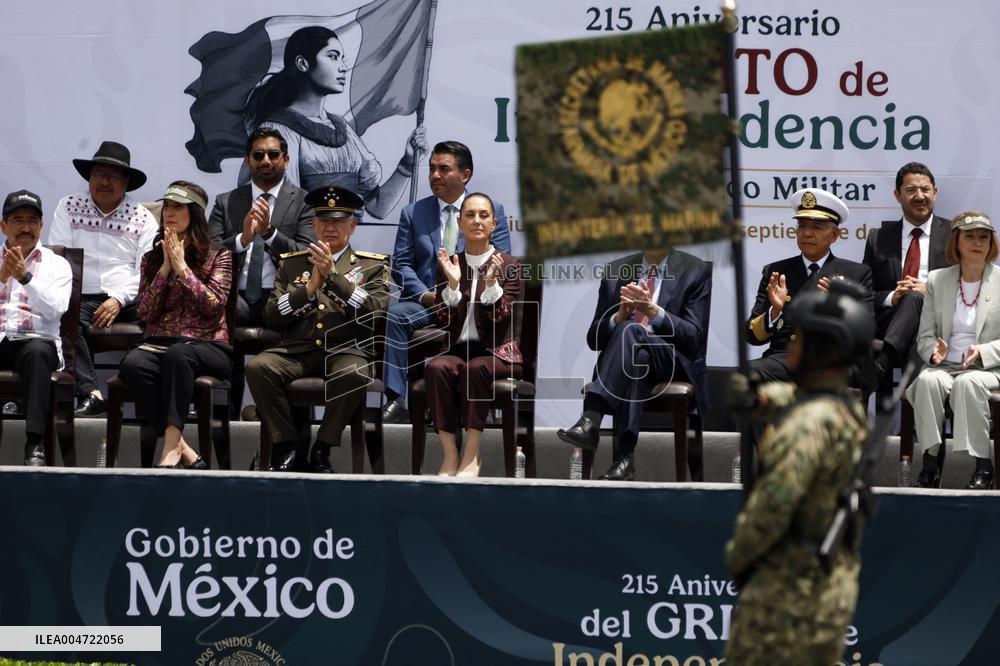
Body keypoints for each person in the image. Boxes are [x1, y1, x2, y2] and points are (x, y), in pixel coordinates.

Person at [725, 282, 873, 666]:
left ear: (819, 350)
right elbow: (800, 398)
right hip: (829, 585)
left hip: (787, 596)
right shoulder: (845, 410)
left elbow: (773, 506)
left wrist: (739, 558)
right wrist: (757, 397)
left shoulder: (806, 426)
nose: (792, 346)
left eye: (801, 338)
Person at [246, 185, 390, 473]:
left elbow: (373, 312)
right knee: (258, 368)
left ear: (353, 226)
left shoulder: (373, 266)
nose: (330, 228)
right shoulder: (293, 263)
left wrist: (334, 277)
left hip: (345, 350)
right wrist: (308, 290)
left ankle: (322, 447)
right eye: (323, 221)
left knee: (354, 373)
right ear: (313, 225)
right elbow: (272, 317)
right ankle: (288, 445)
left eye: (338, 222)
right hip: (298, 349)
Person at [381, 141, 512, 424]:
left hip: (473, 306)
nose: (435, 175)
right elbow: (401, 265)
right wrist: (427, 296)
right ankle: (396, 399)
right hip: (429, 303)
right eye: (431, 169)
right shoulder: (413, 213)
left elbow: (500, 261)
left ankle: (470, 403)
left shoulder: (488, 211)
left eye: (443, 169)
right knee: (395, 315)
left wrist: (464, 294)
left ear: (465, 175)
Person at [557, 248, 711, 480]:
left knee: (630, 331)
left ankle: (591, 418)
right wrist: (617, 317)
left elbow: (693, 336)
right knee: (636, 353)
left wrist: (653, 312)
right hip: (633, 358)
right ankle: (625, 459)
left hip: (672, 358)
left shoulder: (695, 270)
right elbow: (593, 339)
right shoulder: (616, 271)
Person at [245, 26, 427, 219]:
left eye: (342, 59)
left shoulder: (343, 129)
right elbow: (278, 214)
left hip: (342, 238)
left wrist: (407, 163)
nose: (342, 67)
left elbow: (378, 207)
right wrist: (341, 208)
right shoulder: (275, 132)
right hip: (301, 239)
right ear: (302, 63)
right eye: (333, 57)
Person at [118, 182, 233, 469]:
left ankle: (170, 448)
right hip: (158, 342)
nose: (169, 213)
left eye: (178, 207)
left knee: (178, 355)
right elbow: (145, 312)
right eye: (167, 206)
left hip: (207, 344)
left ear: (195, 214)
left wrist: (182, 268)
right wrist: (165, 268)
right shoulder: (152, 259)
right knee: (132, 364)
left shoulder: (219, 255)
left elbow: (213, 307)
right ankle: (183, 447)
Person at [49, 141, 158, 416]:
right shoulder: (68, 206)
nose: (104, 182)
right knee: (61, 315)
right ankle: (91, 392)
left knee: (157, 317)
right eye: (98, 174)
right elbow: (59, 260)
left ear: (126, 182)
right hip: (81, 295)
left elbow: (147, 270)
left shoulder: (143, 217)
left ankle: (131, 386)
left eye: (112, 176)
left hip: (127, 297)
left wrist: (118, 299)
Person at [423, 193, 521, 477]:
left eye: (483, 215)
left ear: (494, 224)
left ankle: (472, 453)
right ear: (459, 222)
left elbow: (501, 318)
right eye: (470, 215)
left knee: (476, 369)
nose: (476, 221)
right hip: (458, 350)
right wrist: (453, 286)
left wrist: (491, 286)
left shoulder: (510, 265)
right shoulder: (449, 263)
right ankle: (450, 454)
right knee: (436, 367)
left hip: (497, 353)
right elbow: (443, 318)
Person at [905, 212, 1000, 490]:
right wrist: (934, 351)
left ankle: (984, 466)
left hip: (988, 368)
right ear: (956, 241)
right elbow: (924, 336)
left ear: (991, 243)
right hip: (945, 365)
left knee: (968, 383)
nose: (977, 242)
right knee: (926, 381)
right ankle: (930, 465)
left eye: (984, 237)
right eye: (970, 236)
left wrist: (983, 352)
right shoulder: (938, 280)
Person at [746, 188, 874, 384]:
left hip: (833, 360)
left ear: (835, 235)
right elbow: (752, 336)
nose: (807, 233)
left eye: (817, 227)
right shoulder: (776, 271)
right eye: (802, 226)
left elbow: (867, 332)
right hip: (785, 358)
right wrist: (775, 311)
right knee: (745, 374)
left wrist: (838, 306)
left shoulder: (856, 273)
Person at [209, 127, 314, 326]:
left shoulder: (304, 202)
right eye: (258, 155)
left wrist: (269, 234)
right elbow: (208, 252)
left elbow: (306, 255)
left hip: (281, 295)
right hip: (235, 296)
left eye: (273, 154)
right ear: (247, 161)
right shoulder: (226, 202)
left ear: (286, 160)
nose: (265, 161)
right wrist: (242, 240)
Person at [0, 190, 73, 466]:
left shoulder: (58, 264)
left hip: (36, 341)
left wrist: (25, 278)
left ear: (41, 226)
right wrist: (2, 279)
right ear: (3, 226)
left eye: (32, 221)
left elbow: (57, 308)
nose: (26, 228)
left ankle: (35, 445)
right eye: (18, 220)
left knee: (37, 351)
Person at [863, 162, 951, 387]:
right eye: (911, 190)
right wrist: (893, 297)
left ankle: (881, 366)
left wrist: (929, 292)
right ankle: (912, 409)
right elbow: (865, 292)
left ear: (935, 192)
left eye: (925, 190)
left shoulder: (954, 235)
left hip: (939, 321)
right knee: (911, 301)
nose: (920, 196)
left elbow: (968, 287)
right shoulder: (878, 238)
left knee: (916, 305)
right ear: (897, 195)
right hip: (892, 320)